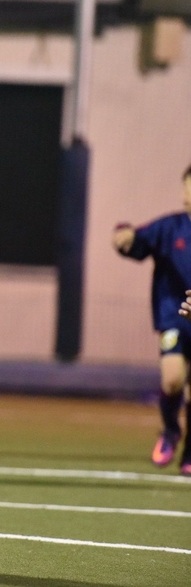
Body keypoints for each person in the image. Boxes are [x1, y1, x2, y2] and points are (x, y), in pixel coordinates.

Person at [120, 165, 191, 476]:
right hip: (173, 317)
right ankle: (171, 430)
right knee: (172, 379)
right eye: (187, 186)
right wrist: (123, 235)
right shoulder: (170, 227)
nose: (188, 193)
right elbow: (136, 242)